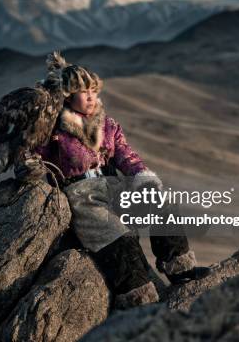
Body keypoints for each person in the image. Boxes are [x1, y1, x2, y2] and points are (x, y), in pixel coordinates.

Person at [35, 56, 211, 310]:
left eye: (93, 90)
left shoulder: (108, 126)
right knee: (119, 236)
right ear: (67, 95)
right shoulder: (52, 130)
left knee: (161, 203)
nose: (90, 97)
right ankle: (139, 298)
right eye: (83, 91)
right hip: (81, 195)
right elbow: (33, 158)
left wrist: (144, 178)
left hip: (112, 185)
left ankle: (180, 269)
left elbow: (126, 156)